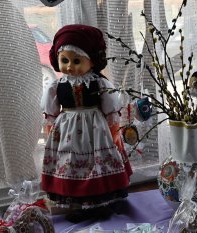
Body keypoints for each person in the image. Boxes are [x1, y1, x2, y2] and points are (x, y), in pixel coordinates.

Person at [41, 24, 132, 221]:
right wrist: (51, 132)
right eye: (64, 60)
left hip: (96, 130)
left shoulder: (99, 83)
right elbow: (51, 112)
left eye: (76, 61)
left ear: (91, 61)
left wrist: (114, 132)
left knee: (97, 163)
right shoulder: (57, 86)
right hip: (68, 132)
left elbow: (110, 109)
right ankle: (79, 205)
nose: (70, 66)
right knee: (71, 164)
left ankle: (101, 203)